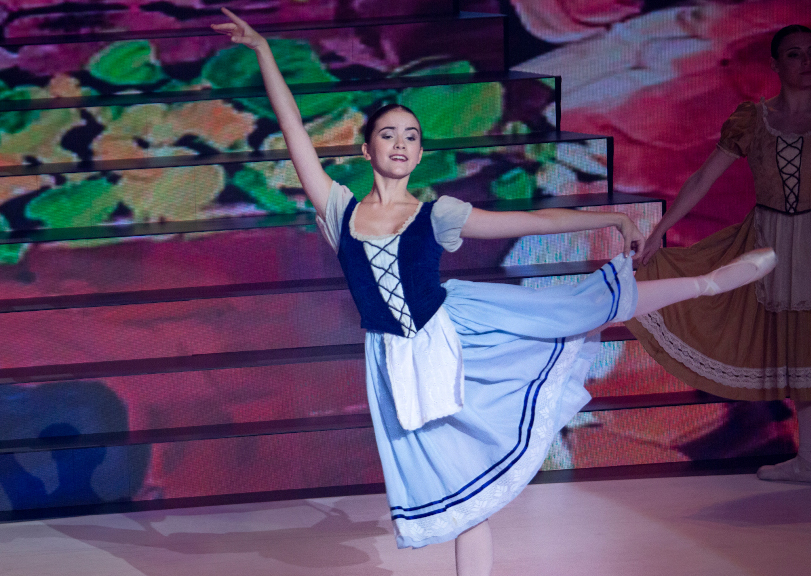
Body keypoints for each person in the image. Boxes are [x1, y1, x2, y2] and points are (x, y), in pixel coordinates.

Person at [213, 9, 776, 575]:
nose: (401, 142)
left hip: (455, 336)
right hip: (393, 362)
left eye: (411, 135)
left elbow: (532, 222)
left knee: (576, 307)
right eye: (388, 134)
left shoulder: (438, 214)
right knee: (463, 494)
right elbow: (294, 134)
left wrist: (609, 216)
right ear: (367, 150)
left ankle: (707, 282)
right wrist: (263, 51)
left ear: (420, 153)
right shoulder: (340, 210)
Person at [630, 24, 811, 484]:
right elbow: (702, 178)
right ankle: (810, 461)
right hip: (770, 243)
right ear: (774, 65)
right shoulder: (753, 120)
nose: (806, 62)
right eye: (794, 54)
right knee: (800, 348)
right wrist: (661, 231)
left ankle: (810, 460)